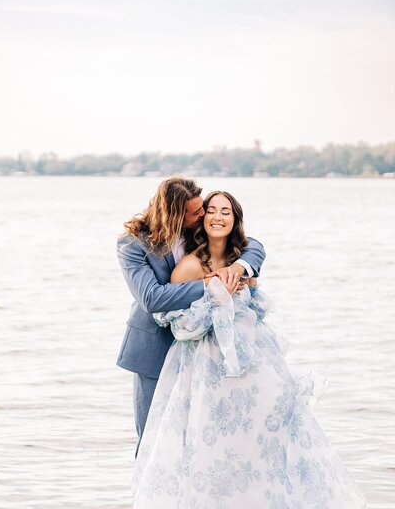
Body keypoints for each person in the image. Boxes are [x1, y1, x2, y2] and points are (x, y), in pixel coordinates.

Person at [132, 191, 367, 508]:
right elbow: (180, 327)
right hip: (206, 369)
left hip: (252, 366)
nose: (218, 216)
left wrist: (241, 281)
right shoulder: (188, 267)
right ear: (202, 220)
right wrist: (216, 296)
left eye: (225, 211)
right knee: (210, 442)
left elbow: (256, 312)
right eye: (211, 210)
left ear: (234, 220)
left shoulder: (243, 265)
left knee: (262, 435)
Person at [116, 177, 266, 452]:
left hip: (200, 352)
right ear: (175, 216)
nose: (202, 216)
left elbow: (252, 244)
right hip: (154, 349)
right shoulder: (132, 245)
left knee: (196, 436)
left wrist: (239, 268)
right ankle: (142, 496)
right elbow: (152, 297)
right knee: (153, 437)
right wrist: (209, 284)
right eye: (196, 213)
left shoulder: (193, 231)